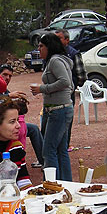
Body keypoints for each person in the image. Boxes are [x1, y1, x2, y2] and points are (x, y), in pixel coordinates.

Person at [30, 33, 74, 181]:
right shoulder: (56, 61)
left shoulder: (55, 61)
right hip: (58, 109)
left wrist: (43, 88)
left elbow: (65, 81)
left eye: (41, 46)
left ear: (50, 47)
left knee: (48, 151)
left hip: (58, 110)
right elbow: (70, 85)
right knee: (61, 150)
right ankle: (65, 183)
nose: (39, 49)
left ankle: (52, 184)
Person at [0, 63, 44, 167]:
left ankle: (44, 161)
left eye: (10, 76)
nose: (7, 78)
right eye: (5, 75)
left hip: (10, 122)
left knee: (33, 129)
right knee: (19, 129)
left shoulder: (4, 89)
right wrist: (8, 96)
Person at [55, 29, 87, 149]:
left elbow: (82, 76)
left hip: (68, 94)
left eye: (59, 38)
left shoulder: (73, 54)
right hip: (53, 95)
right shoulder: (52, 54)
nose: (56, 41)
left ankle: (64, 145)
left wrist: (71, 86)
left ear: (67, 40)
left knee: (66, 121)